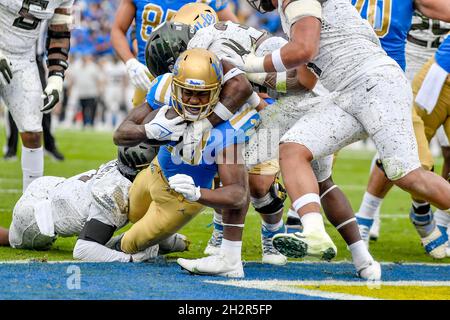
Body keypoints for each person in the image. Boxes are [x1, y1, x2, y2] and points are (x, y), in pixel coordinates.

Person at [144, 17, 380, 279]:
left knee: (235, 166)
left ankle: (229, 256)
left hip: (300, 94)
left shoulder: (208, 51)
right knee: (323, 182)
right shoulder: (217, 39)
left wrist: (204, 125)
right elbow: (247, 86)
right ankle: (364, 260)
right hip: (318, 94)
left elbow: (247, 86)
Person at [228, 0, 450, 266]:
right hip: (344, 93)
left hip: (375, 84)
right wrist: (260, 76)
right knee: (292, 149)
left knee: (407, 176)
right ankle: (313, 232)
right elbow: (306, 75)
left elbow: (303, 48)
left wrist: (250, 63)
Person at [76, 48, 254, 277]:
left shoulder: (227, 131)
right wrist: (149, 130)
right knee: (126, 214)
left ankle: (158, 241)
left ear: (217, 93)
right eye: (187, 92)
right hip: (153, 172)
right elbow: (120, 134)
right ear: (175, 86)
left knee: (126, 246)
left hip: (180, 199)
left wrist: (198, 194)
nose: (193, 100)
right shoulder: (164, 90)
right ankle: (167, 241)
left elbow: (238, 195)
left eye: (202, 94)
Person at [352, 2, 450, 246]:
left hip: (445, 52)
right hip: (413, 51)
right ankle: (368, 214)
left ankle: (442, 220)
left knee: (447, 148)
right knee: (398, 138)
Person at [0, 0, 73, 191]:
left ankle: (29, 206)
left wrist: (56, 77)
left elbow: (61, 31)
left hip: (24, 59)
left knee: (33, 132)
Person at [111, 0, 238, 108]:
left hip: (191, 71)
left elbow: (235, 30)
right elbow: (118, 29)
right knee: (140, 128)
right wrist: (130, 62)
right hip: (147, 71)